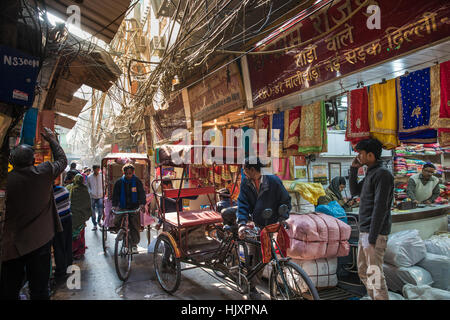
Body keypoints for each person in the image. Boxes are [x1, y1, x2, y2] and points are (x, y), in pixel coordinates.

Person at [1, 127, 67, 300]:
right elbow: (62, 160)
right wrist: (52, 140)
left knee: (9, 290)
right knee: (39, 290)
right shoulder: (43, 172)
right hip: (40, 241)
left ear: (12, 162)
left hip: (12, 244)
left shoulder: (8, 181)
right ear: (33, 160)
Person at [236, 157, 292, 300]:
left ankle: (277, 285)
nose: (243, 171)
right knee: (255, 257)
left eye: (245, 169)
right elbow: (242, 204)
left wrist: (283, 217)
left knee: (272, 255)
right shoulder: (246, 183)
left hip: (272, 223)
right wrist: (242, 223)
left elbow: (285, 200)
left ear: (252, 170)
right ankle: (252, 286)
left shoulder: (273, 181)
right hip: (256, 225)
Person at [349, 138, 393, 300]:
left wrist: (372, 237)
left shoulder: (383, 174)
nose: (359, 156)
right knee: (363, 270)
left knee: (374, 273)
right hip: (365, 231)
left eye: (361, 153)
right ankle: (375, 297)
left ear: (370, 155)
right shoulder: (371, 172)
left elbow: (380, 207)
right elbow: (355, 191)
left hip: (374, 233)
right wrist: (354, 169)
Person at [112, 164, 146, 253]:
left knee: (135, 225)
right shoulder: (119, 182)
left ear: (133, 172)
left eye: (130, 173)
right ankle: (121, 233)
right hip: (122, 207)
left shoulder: (137, 181)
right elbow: (115, 195)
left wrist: (142, 204)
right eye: (126, 173)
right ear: (124, 173)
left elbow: (142, 193)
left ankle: (134, 244)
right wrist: (114, 206)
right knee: (116, 221)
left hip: (134, 207)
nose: (128, 175)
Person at [67, 174, 92, 260]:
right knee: (81, 234)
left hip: (72, 216)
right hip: (81, 216)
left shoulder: (69, 188)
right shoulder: (85, 189)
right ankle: (80, 251)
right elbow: (88, 202)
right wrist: (87, 213)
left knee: (73, 234)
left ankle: (73, 251)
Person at [51, 183, 73, 283]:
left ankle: (61, 270)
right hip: (68, 219)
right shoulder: (63, 190)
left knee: (59, 246)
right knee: (68, 244)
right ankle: (69, 265)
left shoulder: (49, 194)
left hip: (58, 222)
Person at [87, 165, 104, 231]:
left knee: (100, 211)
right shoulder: (89, 177)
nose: (97, 171)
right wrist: (90, 192)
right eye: (95, 169)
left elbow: (104, 185)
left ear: (99, 169)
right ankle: (94, 225)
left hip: (100, 196)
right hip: (92, 197)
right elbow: (87, 186)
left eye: (98, 169)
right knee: (93, 212)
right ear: (93, 169)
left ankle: (99, 221)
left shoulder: (102, 176)